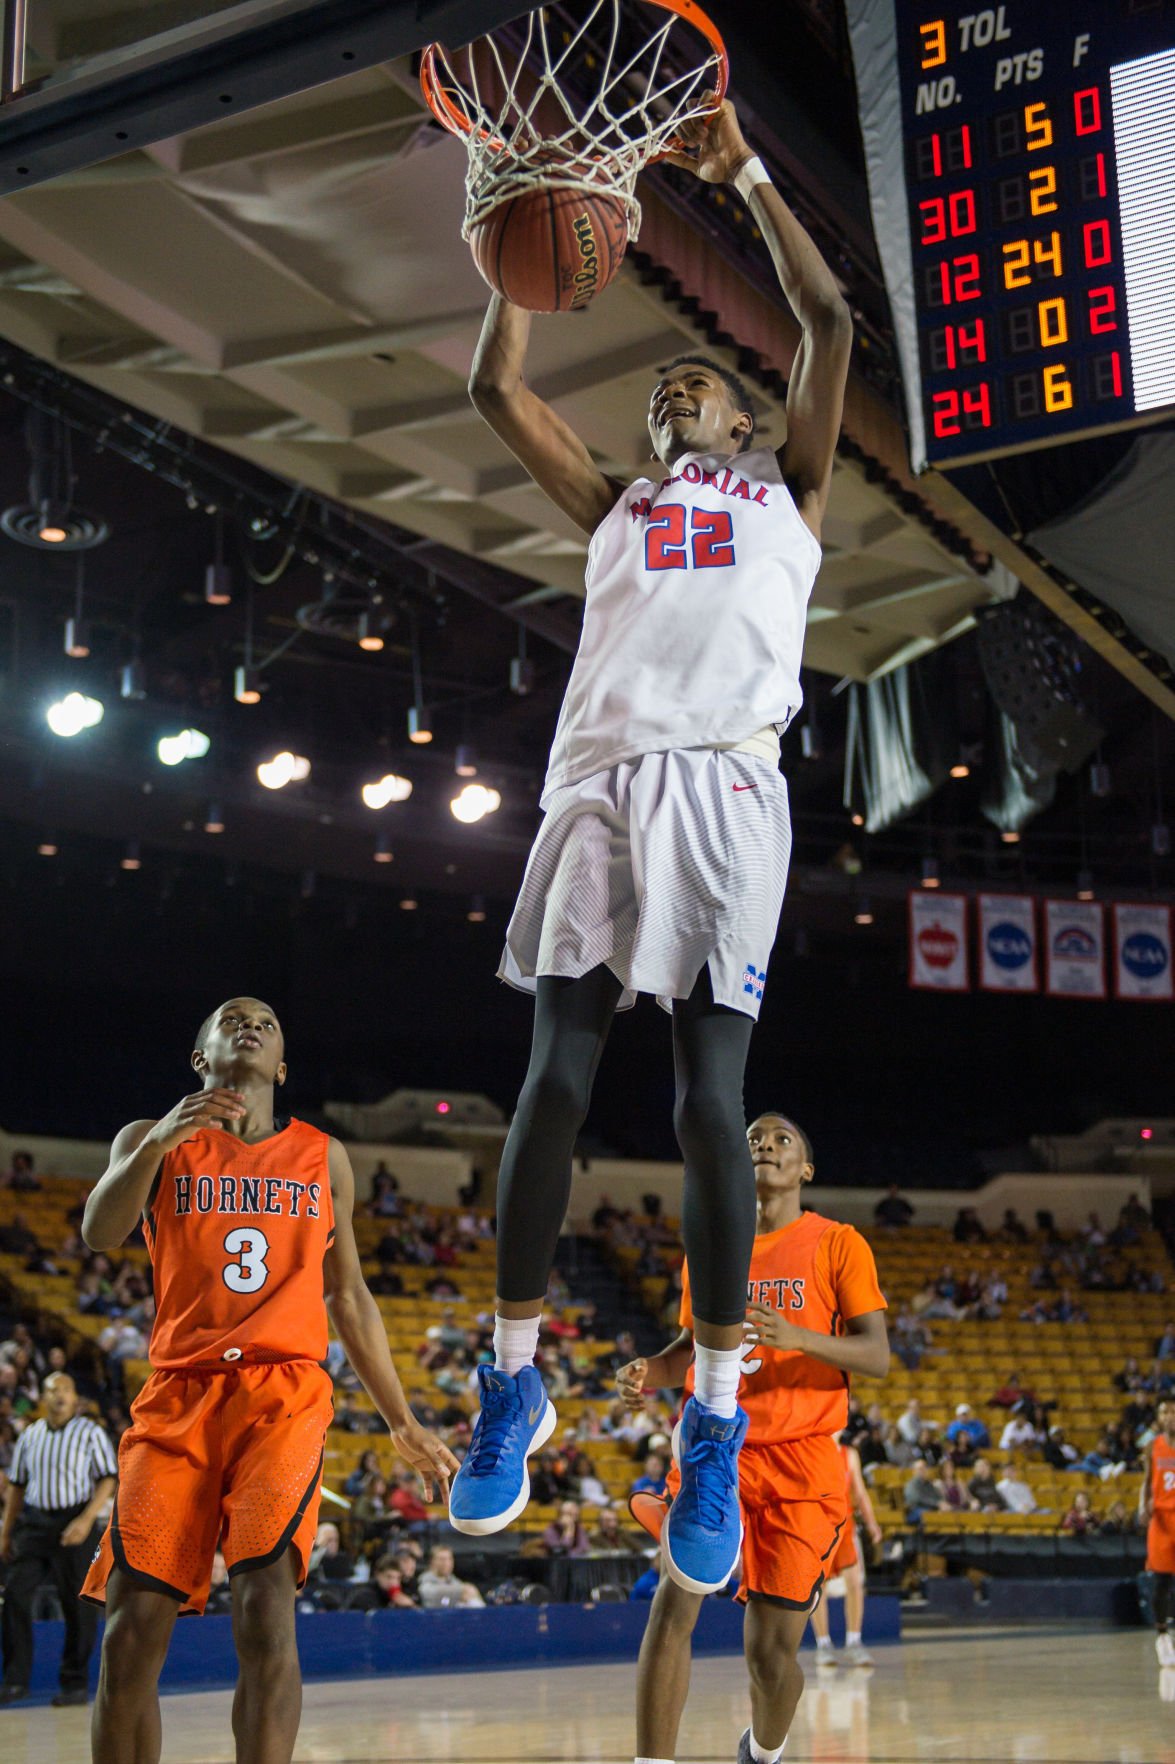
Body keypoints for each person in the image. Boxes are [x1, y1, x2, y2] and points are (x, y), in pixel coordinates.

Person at [447, 90, 852, 1608]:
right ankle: (512, 1380)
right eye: (663, 384)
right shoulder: (617, 501)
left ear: (744, 421)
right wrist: (515, 219)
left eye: (700, 380)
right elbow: (498, 386)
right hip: (600, 786)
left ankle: (711, 1417)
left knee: (704, 1099)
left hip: (726, 796)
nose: (676, 389)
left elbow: (822, 327)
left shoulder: (789, 495)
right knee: (552, 1079)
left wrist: (739, 165)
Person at [77, 996, 457, 1764]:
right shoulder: (148, 1142)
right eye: (229, 1018)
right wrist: (155, 1141)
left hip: (282, 1396)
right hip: (179, 1393)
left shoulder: (323, 1156)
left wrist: (403, 1421)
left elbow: (348, 1296)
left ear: (280, 1065)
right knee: (127, 1637)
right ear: (199, 1057)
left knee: (263, 1612)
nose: (247, 1024)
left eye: (266, 1022)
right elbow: (99, 1232)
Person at [621, 1112, 887, 1764]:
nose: (765, 1145)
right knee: (672, 1604)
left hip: (801, 1462)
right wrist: (649, 1372)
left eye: (782, 1139)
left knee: (769, 1657)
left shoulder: (838, 1242)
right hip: (716, 1448)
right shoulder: (711, 1246)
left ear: (806, 1170)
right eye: (753, 1140)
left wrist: (799, 1338)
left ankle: (763, 1751)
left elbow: (876, 1355)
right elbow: (690, 1348)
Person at [0, 1373, 117, 1706]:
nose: (59, 1395)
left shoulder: (90, 1432)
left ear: (76, 1396)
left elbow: (108, 1479)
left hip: (75, 1519)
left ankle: (74, 1682)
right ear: (43, 1398)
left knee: (77, 1604)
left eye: (65, 1389)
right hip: (35, 1523)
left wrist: (85, 1520)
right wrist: (6, 1534)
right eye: (52, 1390)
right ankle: (15, 1680)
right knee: (16, 1597)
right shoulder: (29, 1435)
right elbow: (17, 1487)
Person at [808, 1434, 882, 1669]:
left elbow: (859, 1492)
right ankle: (823, 1644)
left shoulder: (849, 1454)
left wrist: (872, 1524)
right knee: (819, 1586)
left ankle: (854, 1641)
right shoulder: (811, 1450)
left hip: (845, 1524)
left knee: (854, 1582)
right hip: (818, 1524)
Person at [1140, 1398, 1175, 1667]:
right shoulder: (1153, 1446)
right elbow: (1146, 1481)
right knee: (1162, 1580)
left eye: (1174, 1411)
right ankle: (1162, 1635)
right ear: (1159, 1417)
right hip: (1162, 1520)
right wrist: (1143, 1506)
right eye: (1165, 1411)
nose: (1170, 1415)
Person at [417, 1545, 485, 1609]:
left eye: (450, 1559)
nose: (447, 1563)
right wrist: (461, 1592)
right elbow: (428, 1594)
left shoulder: (453, 1580)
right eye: (442, 1559)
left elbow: (468, 1595)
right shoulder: (425, 1579)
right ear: (432, 1562)